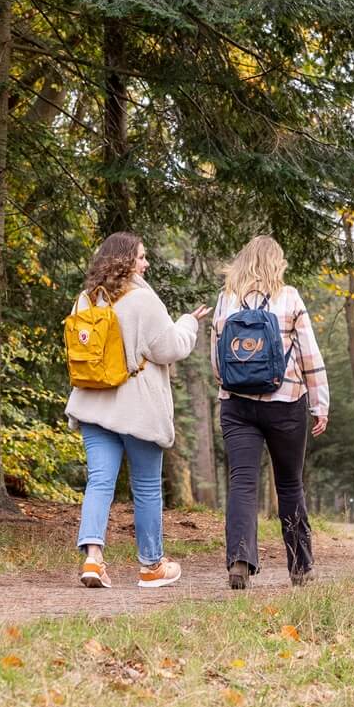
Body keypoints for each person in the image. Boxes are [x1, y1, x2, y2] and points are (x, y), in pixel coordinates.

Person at [64, 231, 208, 590]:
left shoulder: (86, 300)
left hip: (93, 403)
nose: (146, 263)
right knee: (145, 487)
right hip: (136, 408)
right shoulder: (142, 301)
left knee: (99, 481)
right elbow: (169, 348)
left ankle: (93, 559)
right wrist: (189, 322)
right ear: (127, 261)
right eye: (142, 257)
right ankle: (151, 566)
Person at [213, 234, 329, 589]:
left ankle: (240, 560)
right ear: (276, 263)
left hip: (236, 404)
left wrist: (227, 385)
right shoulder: (288, 296)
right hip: (286, 402)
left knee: (243, 483)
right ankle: (300, 568)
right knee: (290, 483)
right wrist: (320, 402)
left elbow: (217, 356)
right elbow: (309, 352)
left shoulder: (226, 299)